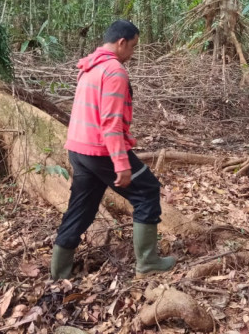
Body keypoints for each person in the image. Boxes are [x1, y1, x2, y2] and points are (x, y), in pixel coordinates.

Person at [50, 20, 176, 280]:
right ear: (121, 43)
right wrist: (121, 163)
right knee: (147, 190)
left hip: (78, 148)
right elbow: (110, 122)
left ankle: (59, 272)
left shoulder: (89, 66)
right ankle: (148, 262)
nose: (132, 53)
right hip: (100, 150)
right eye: (133, 47)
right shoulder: (114, 70)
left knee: (81, 207)